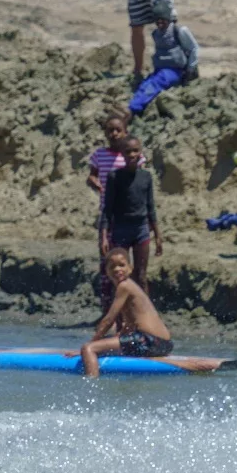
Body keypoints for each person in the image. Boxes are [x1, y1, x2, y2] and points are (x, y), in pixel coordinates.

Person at [71, 248, 174, 378]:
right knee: (107, 348)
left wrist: (93, 343)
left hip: (148, 341)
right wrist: (115, 338)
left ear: (130, 268)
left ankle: (91, 388)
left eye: (122, 265)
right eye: (112, 266)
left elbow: (108, 320)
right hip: (164, 345)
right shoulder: (130, 287)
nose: (117, 269)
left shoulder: (124, 286)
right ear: (106, 271)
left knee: (88, 349)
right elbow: (131, 324)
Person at [100, 138, 161, 290]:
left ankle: (145, 313)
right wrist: (103, 237)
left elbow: (150, 207)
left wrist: (158, 236)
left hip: (141, 230)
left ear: (141, 152)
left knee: (141, 276)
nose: (132, 154)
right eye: (128, 152)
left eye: (135, 151)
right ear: (122, 154)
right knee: (121, 278)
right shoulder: (114, 177)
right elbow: (108, 209)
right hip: (120, 230)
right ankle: (123, 313)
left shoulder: (146, 177)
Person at [85, 115, 131, 310]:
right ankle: (107, 309)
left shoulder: (130, 155)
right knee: (107, 261)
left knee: (125, 263)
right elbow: (91, 176)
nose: (114, 134)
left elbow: (140, 177)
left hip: (128, 215)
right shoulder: (99, 155)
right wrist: (94, 182)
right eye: (110, 130)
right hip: (107, 214)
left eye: (118, 130)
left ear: (125, 132)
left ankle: (128, 309)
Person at [127, 0, 198, 118]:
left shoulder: (178, 31)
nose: (160, 23)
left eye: (163, 20)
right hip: (160, 69)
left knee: (156, 83)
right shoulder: (156, 34)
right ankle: (134, 104)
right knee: (146, 83)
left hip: (175, 71)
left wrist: (190, 69)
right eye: (157, 20)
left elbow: (193, 49)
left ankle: (134, 108)